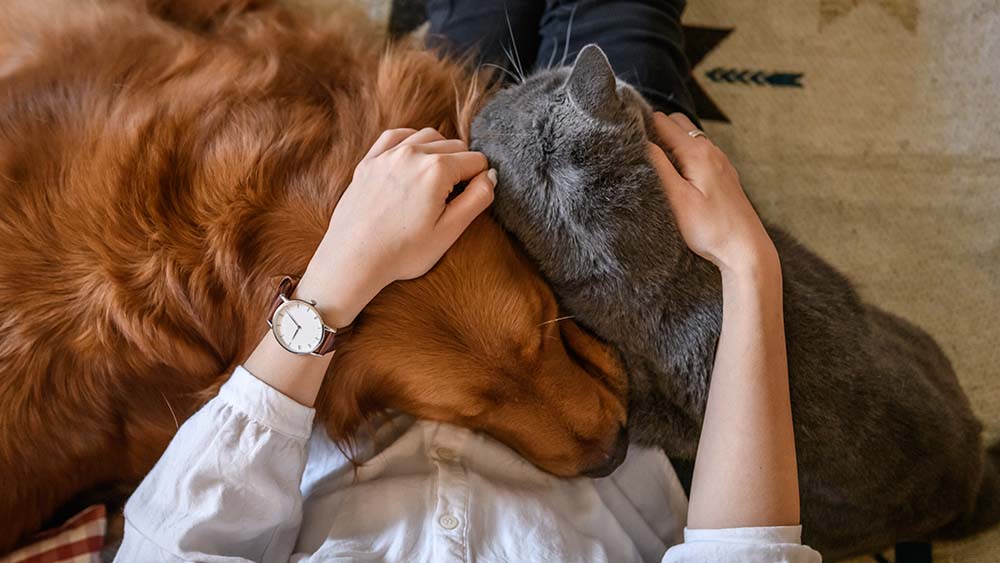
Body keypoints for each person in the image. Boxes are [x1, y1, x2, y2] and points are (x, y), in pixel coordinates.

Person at [116, 1, 821, 561]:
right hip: (617, 314)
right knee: (623, 24)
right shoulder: (594, 425)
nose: (590, 437)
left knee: (475, 24)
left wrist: (331, 282)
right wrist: (746, 265)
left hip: (360, 323)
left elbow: (174, 541)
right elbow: (746, 551)